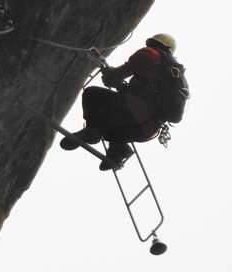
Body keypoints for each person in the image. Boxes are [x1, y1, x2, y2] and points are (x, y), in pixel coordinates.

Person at [60, 33, 189, 170]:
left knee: (92, 93)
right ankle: (119, 149)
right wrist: (121, 86)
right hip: (147, 129)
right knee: (113, 126)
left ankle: (92, 130)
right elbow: (143, 94)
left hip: (133, 114)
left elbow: (117, 75)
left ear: (155, 43)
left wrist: (109, 75)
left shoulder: (149, 54)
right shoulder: (175, 76)